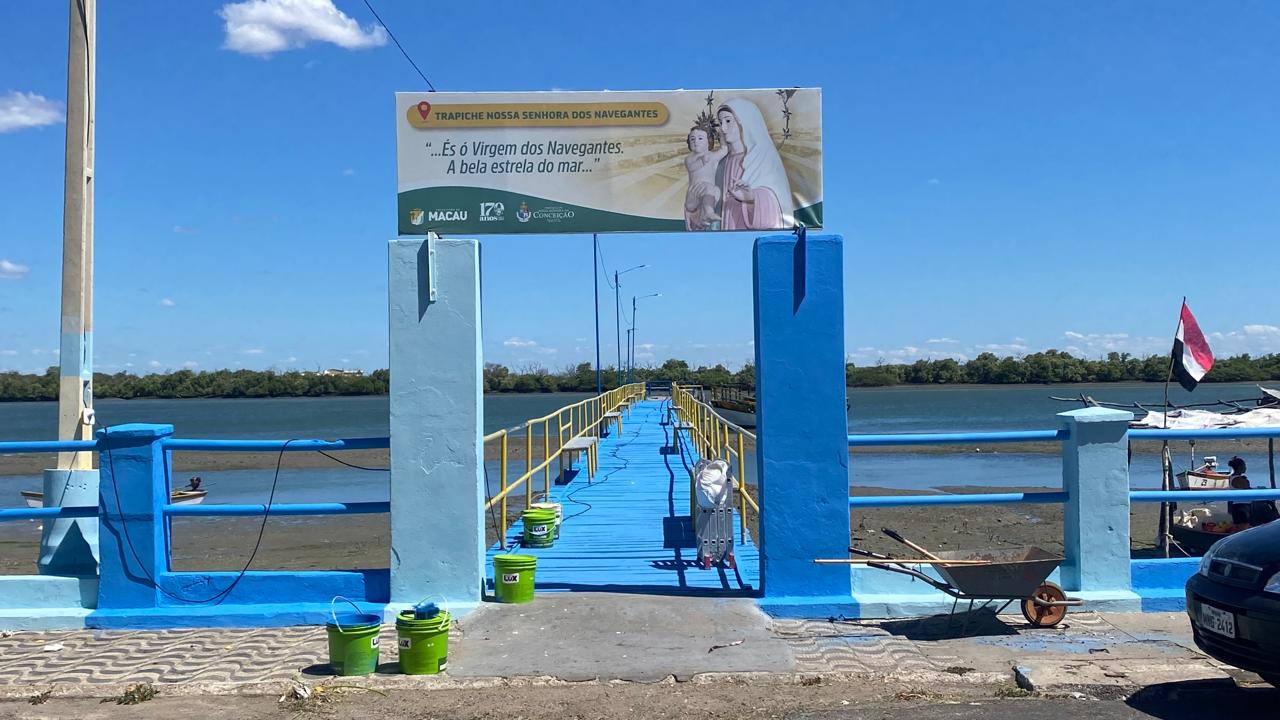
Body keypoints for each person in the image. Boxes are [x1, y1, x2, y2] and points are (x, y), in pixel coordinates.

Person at [713, 99, 793, 230]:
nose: (723, 128)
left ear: (745, 122)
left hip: (748, 227)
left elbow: (776, 199)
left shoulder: (763, 157)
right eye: (720, 122)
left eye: (728, 121)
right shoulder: (722, 163)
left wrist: (751, 197)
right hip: (727, 231)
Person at [683, 124, 726, 230]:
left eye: (700, 138)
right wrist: (703, 160)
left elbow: (725, 149)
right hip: (693, 195)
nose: (695, 141)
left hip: (707, 194)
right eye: (692, 139)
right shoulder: (689, 159)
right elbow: (693, 166)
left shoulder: (712, 156)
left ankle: (706, 216)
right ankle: (709, 212)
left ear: (709, 141)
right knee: (708, 188)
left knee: (715, 190)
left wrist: (721, 136)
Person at [1226, 457, 1279, 529]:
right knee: (1245, 529)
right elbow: (1249, 490)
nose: (1246, 468)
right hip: (1241, 506)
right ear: (1240, 467)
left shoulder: (1235, 478)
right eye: (1244, 466)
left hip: (1242, 506)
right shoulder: (1238, 479)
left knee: (1244, 529)